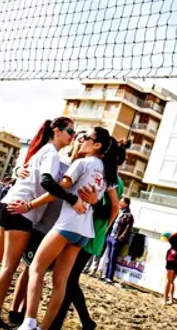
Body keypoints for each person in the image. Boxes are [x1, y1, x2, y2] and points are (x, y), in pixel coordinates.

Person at [0, 117, 77, 328]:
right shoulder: (52, 154)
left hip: (7, 204)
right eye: (70, 131)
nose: (72, 136)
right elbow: (46, 181)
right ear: (57, 131)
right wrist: (72, 198)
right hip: (21, 210)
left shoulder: (43, 150)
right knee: (9, 266)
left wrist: (18, 172)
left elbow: (24, 172)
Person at [13, 127, 120, 330]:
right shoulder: (107, 172)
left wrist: (28, 205)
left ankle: (29, 323)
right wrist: (103, 231)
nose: (82, 140)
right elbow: (115, 206)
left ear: (96, 145)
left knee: (36, 268)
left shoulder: (82, 163)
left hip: (67, 224)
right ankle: (44, 328)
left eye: (87, 138)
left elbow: (56, 191)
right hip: (84, 231)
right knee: (60, 283)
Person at [48, 138, 129, 330]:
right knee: (70, 279)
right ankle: (83, 322)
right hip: (89, 231)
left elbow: (109, 210)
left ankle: (73, 322)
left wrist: (98, 212)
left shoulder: (113, 181)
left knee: (70, 279)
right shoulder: (111, 178)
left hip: (89, 232)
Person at [103, 197, 134, 284]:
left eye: (122, 202)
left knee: (113, 258)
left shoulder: (128, 215)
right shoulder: (118, 212)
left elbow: (127, 229)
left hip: (116, 239)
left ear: (126, 204)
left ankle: (110, 277)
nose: (120, 203)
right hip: (111, 237)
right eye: (120, 201)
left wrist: (119, 239)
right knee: (109, 257)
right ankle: (106, 275)